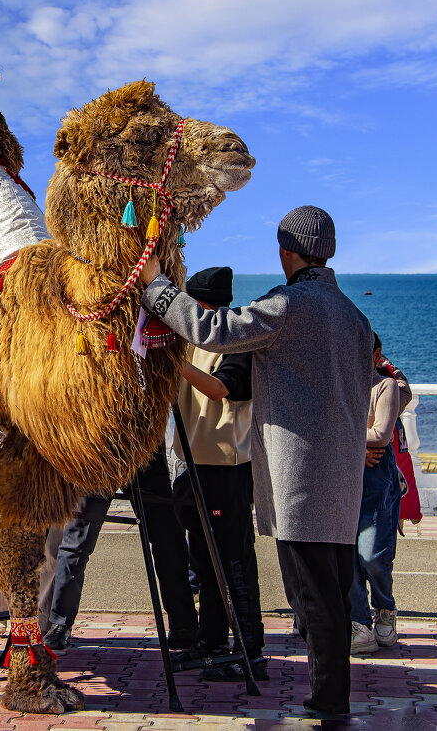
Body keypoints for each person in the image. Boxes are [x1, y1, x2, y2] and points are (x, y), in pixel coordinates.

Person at [139, 205, 373, 719]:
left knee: (313, 597)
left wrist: (156, 287)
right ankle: (332, 695)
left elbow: (213, 330)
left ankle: (329, 703)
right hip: (342, 472)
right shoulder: (355, 318)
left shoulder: (289, 304)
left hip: (301, 475)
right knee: (330, 591)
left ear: (285, 251)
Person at [169, 266, 266, 681]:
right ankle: (211, 642)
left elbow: (222, 389)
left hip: (227, 468)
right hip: (191, 464)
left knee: (233, 564)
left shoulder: (237, 342)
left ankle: (249, 651)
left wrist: (173, 365)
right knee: (203, 562)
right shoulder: (187, 343)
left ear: (205, 306)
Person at [41, 449, 198, 652]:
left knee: (167, 538)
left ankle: (184, 624)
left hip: (141, 445)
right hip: (100, 446)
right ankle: (60, 622)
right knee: (76, 541)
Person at [349, 334, 412, 654]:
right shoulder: (337, 385)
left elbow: (381, 435)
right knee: (347, 555)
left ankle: (385, 606)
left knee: (373, 553)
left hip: (376, 478)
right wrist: (356, 445)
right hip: (342, 475)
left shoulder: (384, 386)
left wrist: (347, 438)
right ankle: (359, 621)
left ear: (376, 356)